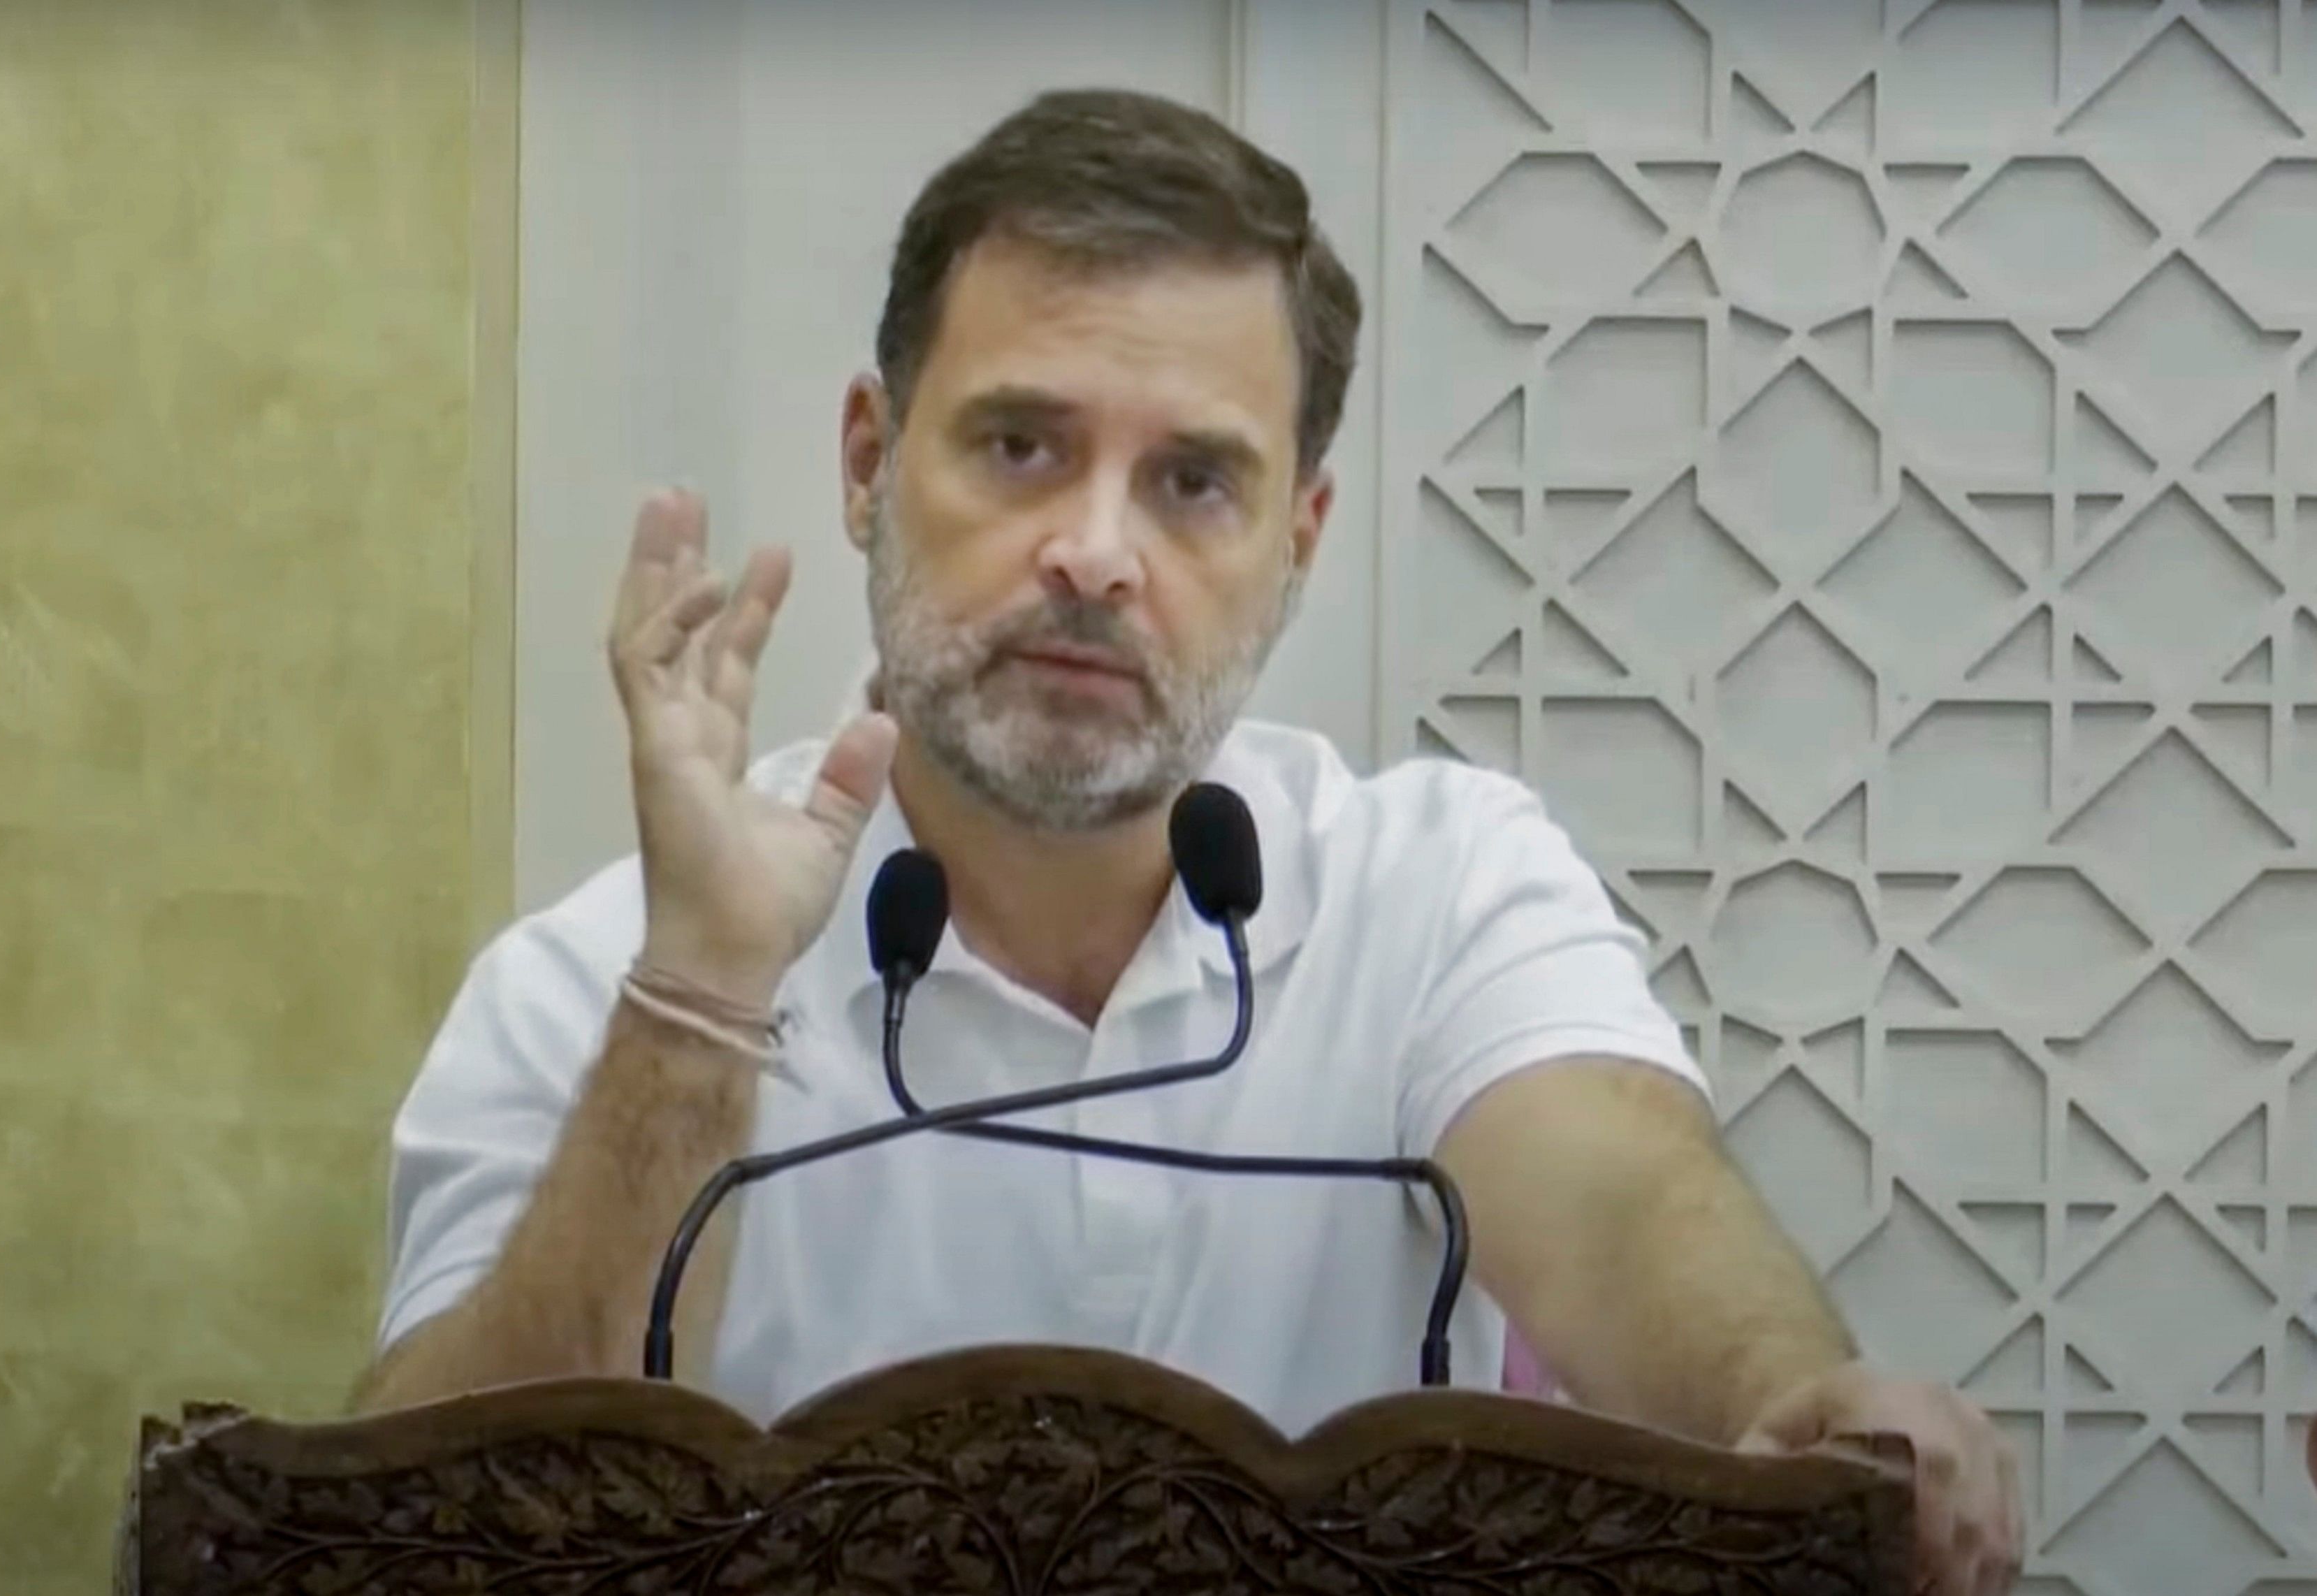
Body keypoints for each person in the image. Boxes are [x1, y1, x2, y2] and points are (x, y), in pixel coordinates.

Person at [357, 89, 2021, 1594]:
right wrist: (706, 991)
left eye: (1194, 484)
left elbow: (1628, 1205)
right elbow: (431, 1545)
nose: (1093, 551)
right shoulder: (596, 985)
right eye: (1021, 446)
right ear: (871, 461)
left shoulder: (1436, 883)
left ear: (1299, 534)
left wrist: (1789, 1412)